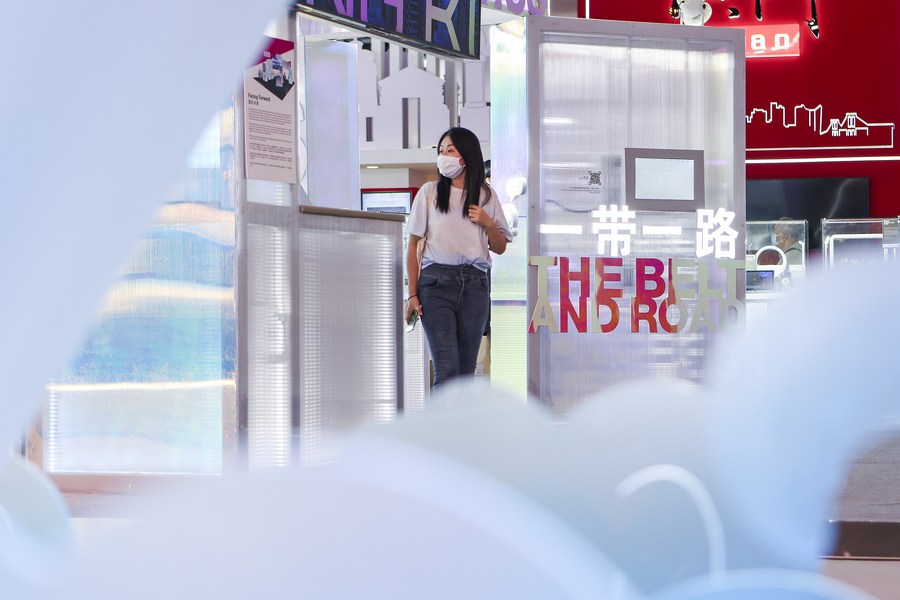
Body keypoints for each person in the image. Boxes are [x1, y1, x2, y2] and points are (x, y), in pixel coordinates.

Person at [405, 127, 512, 387]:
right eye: (441, 151)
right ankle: (443, 416)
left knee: (465, 372)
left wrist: (488, 223)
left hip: (475, 285)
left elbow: (500, 247)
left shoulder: (486, 195)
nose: (443, 156)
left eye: (450, 150)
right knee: (447, 368)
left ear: (466, 155)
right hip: (435, 284)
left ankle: (460, 415)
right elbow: (413, 245)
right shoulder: (429, 192)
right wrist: (412, 294)